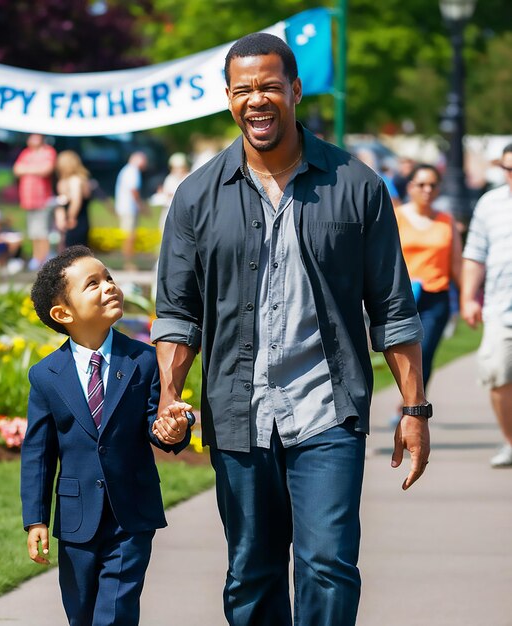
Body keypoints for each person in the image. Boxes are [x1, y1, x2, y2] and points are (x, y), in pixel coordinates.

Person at [152, 33, 430, 626]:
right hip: (237, 412)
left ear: (295, 91)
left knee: (328, 565)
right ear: (228, 98)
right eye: (244, 89)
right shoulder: (196, 196)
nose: (258, 100)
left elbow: (393, 307)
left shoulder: (357, 187)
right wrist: (171, 399)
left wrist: (414, 409)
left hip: (327, 410)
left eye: (270, 86)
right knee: (250, 571)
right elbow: (177, 314)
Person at [21, 245, 193, 626]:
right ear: (63, 313)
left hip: (131, 515)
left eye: (109, 278)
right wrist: (36, 519)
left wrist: (174, 428)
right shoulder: (46, 376)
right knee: (81, 613)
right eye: (93, 284)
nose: (109, 287)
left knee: (115, 612)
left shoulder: (144, 360)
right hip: (77, 519)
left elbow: (159, 422)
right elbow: (38, 454)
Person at [393, 164, 462, 422]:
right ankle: (408, 400)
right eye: (421, 184)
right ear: (410, 187)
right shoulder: (397, 216)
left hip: (436, 297)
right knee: (400, 356)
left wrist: (467, 298)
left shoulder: (446, 221)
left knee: (426, 355)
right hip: (402, 297)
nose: (427, 190)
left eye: (433, 185)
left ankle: (409, 407)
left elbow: (456, 262)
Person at [461, 143, 512, 468]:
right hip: (500, 310)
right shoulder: (490, 204)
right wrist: (467, 298)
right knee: (498, 377)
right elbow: (475, 255)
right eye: (509, 169)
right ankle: (510, 442)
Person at [13, 134, 56, 271]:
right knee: (34, 232)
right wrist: (34, 169)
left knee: (43, 231)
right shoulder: (26, 153)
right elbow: (16, 169)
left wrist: (27, 169)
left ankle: (44, 260)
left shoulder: (48, 152)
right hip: (28, 200)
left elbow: (46, 170)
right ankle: (36, 258)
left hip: (43, 199)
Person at [114, 151, 148, 270]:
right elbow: (134, 190)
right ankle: (129, 263)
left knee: (129, 235)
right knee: (129, 236)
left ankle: (129, 261)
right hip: (128, 208)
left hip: (125, 207)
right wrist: (141, 205)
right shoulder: (132, 171)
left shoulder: (127, 170)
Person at [54, 150, 92, 249]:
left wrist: (71, 217)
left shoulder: (75, 180)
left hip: (76, 220)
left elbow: (76, 201)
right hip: (70, 220)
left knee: (74, 251)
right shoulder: (66, 180)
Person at [158, 152, 190, 233]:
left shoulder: (189, 177)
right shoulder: (170, 178)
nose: (177, 170)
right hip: (169, 209)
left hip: (184, 212)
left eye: (180, 167)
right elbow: (166, 194)